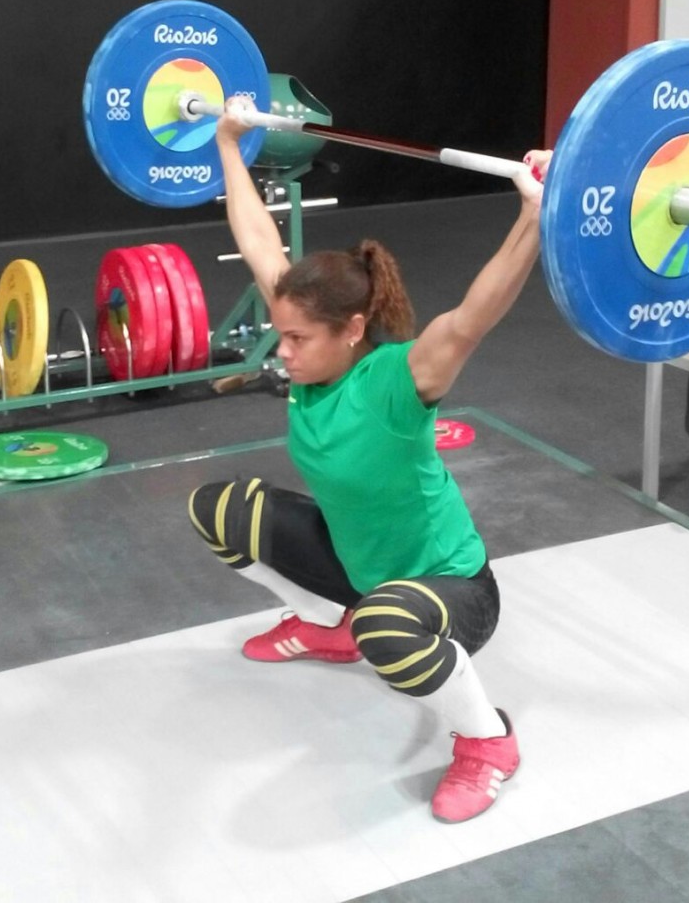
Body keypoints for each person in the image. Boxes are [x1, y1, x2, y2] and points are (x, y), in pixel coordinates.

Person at [188, 96, 551, 823]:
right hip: (359, 568)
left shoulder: (398, 380)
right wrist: (228, 142)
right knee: (217, 510)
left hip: (450, 590)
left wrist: (535, 215)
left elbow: (475, 313)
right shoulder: (308, 345)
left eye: (297, 340)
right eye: (280, 336)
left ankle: (487, 743)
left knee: (388, 623)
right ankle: (330, 627)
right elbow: (259, 240)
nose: (281, 353)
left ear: (353, 330)